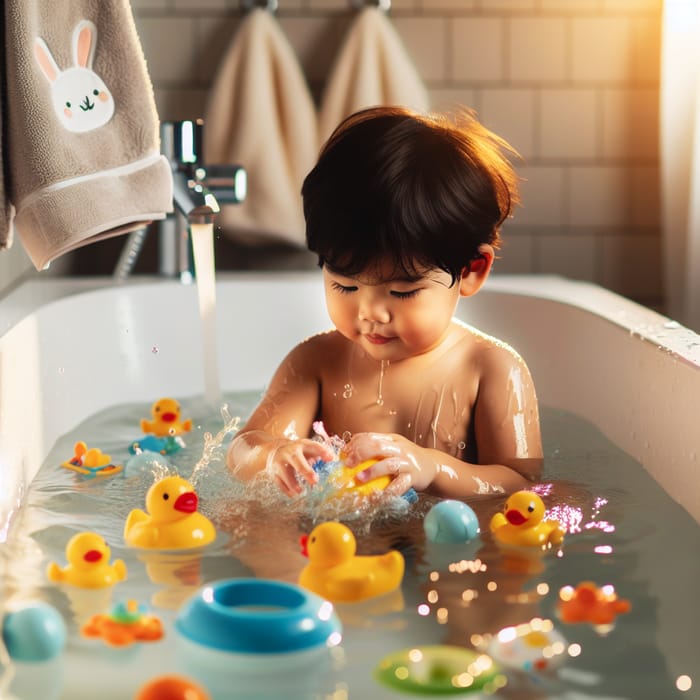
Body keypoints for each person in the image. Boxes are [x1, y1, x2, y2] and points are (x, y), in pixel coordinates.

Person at [227, 105, 543, 499]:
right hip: (336, 547)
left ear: (471, 270)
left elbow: (521, 484)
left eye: (402, 292)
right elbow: (242, 449)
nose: (370, 312)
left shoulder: (491, 371)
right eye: (344, 286)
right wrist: (275, 454)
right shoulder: (315, 363)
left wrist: (431, 467)